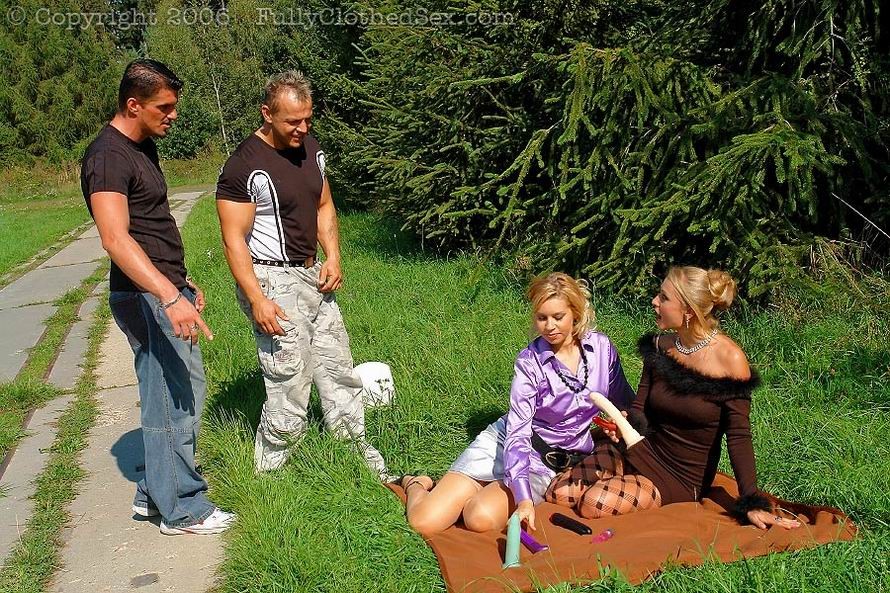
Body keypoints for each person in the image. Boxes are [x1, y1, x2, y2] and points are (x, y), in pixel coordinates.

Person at [81, 59, 235, 535]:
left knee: (174, 391)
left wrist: (183, 280)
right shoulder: (107, 156)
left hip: (163, 287)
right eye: (164, 107)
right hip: (146, 296)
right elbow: (115, 238)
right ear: (134, 104)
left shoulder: (141, 147)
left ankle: (155, 494)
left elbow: (153, 226)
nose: (173, 115)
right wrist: (170, 295)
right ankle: (184, 508)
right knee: (174, 397)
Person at [215, 70, 388, 477]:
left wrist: (333, 257)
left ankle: (354, 450)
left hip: (313, 275)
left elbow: (325, 205)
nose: (302, 128)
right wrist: (257, 298)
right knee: (290, 376)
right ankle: (272, 469)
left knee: (335, 364)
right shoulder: (244, 166)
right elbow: (232, 240)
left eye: (308, 119)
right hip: (272, 280)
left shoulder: (311, 148)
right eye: (293, 121)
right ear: (267, 114)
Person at [547, 266, 802, 530]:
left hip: (679, 475)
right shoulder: (660, 346)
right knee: (559, 493)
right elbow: (640, 408)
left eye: (664, 298)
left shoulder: (730, 359)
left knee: (593, 504)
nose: (655, 302)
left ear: (689, 311)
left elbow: (739, 435)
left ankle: (613, 478)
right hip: (641, 449)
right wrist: (625, 425)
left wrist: (752, 501)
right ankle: (614, 470)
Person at [400, 273, 636, 536]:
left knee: (479, 517)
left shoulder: (602, 349)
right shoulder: (529, 362)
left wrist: (623, 421)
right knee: (424, 522)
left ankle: (480, 494)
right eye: (541, 318)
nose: (550, 327)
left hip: (547, 461)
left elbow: (624, 399)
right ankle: (416, 484)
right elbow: (517, 432)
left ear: (576, 312)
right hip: (509, 443)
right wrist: (523, 499)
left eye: (558, 317)